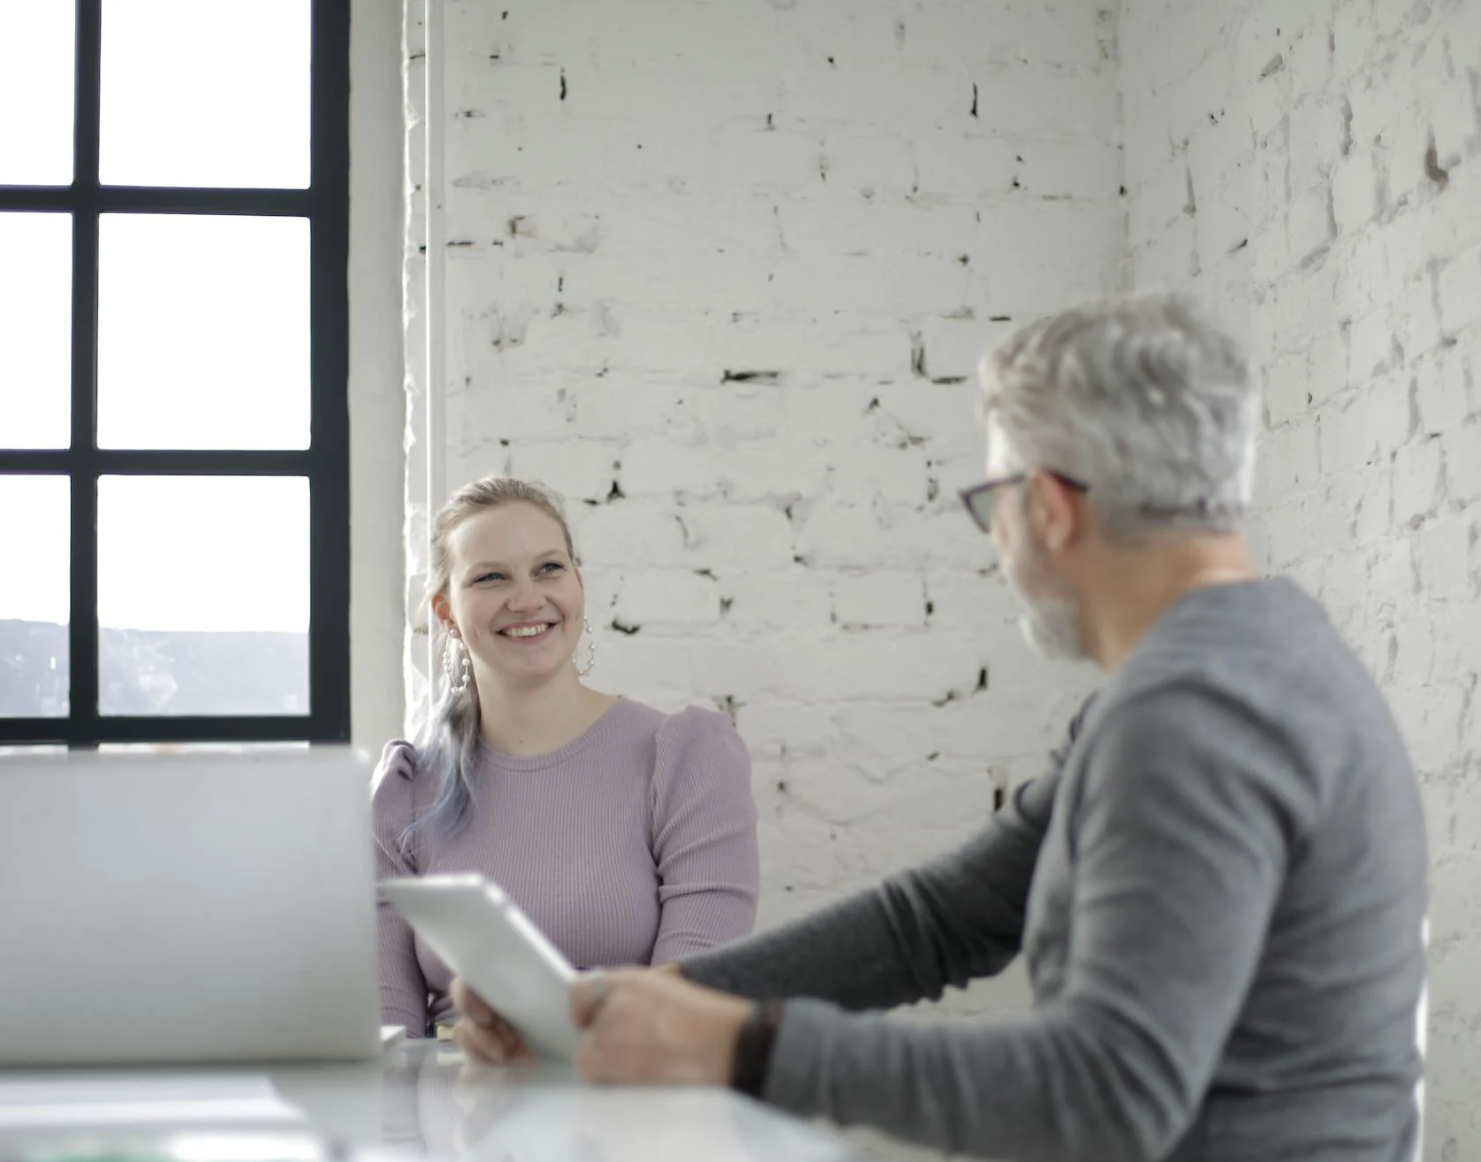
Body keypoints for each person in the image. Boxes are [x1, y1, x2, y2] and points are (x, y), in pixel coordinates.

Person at [449, 295, 1429, 1162]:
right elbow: (941, 921)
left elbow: (1109, 1087)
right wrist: (616, 1009)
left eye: (991, 501)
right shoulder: (1245, 661)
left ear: (1046, 508)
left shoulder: (1192, 715)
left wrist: (737, 1046)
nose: (994, 541)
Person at [375, 475, 760, 1038]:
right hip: (454, 1110)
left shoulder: (686, 762)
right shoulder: (406, 790)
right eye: (490, 577)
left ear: (578, 582)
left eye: (549, 568)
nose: (527, 598)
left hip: (634, 1106)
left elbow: (688, 1013)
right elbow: (389, 1038)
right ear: (447, 613)